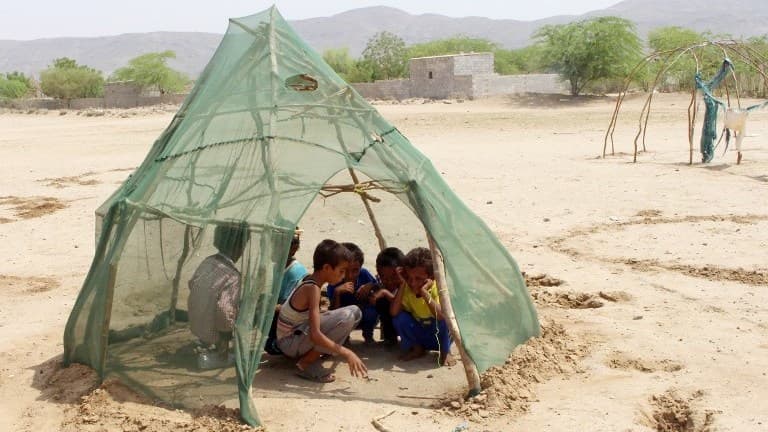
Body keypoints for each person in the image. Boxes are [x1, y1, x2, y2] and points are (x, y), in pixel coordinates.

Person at [276, 239, 368, 382]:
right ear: (326, 268)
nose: (343, 276)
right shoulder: (312, 288)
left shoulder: (314, 285)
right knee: (347, 317)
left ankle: (314, 355)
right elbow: (315, 335)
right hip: (289, 343)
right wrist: (347, 353)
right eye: (341, 271)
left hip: (296, 335)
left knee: (355, 312)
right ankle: (306, 363)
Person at [188, 223, 250, 367]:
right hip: (211, 330)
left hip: (196, 324)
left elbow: (192, 284)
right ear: (238, 248)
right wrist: (226, 339)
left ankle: (207, 344)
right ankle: (220, 355)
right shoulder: (233, 275)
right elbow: (224, 311)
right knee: (231, 312)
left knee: (218, 305)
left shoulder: (208, 261)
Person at [390, 247, 455, 366]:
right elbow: (394, 312)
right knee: (399, 318)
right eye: (409, 278)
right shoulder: (408, 288)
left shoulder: (439, 289)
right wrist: (403, 283)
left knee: (445, 319)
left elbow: (441, 316)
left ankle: (445, 352)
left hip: (439, 338)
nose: (413, 283)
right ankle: (417, 349)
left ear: (432, 277)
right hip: (422, 336)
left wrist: (424, 292)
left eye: (418, 279)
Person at [264, 227, 309, 356]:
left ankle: (281, 343)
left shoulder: (296, 272)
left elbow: (287, 305)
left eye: (276, 246)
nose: (272, 250)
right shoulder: (278, 267)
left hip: (291, 319)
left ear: (292, 249)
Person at [326, 242, 377, 343]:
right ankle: (344, 337)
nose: (350, 275)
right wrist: (337, 293)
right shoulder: (334, 281)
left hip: (363, 315)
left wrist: (370, 286)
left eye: (355, 270)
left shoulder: (364, 274)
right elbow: (333, 312)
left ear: (360, 267)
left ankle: (368, 336)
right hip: (345, 318)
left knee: (372, 311)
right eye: (345, 270)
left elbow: (377, 285)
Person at [356, 247, 405, 345]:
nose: (388, 281)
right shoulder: (380, 285)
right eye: (383, 277)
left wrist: (385, 293)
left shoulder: (409, 285)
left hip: (408, 324)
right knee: (380, 302)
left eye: (393, 277)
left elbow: (401, 307)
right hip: (394, 323)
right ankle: (390, 338)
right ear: (378, 272)